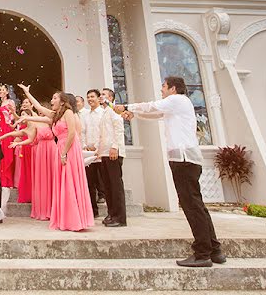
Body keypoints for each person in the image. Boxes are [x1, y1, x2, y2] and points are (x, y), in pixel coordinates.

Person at [128, 76, 225, 267]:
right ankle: (214, 250)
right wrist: (135, 115)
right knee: (198, 206)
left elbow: (151, 106)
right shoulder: (177, 106)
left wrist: (127, 107)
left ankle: (202, 254)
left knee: (192, 207)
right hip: (187, 160)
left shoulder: (176, 100)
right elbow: (155, 114)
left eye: (163, 87)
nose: (161, 90)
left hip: (183, 161)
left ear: (173, 88)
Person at [19, 84, 92, 231]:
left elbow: (72, 133)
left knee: (69, 181)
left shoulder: (68, 113)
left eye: (55, 98)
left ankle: (74, 219)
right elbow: (39, 108)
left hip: (70, 148)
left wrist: (64, 152)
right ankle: (65, 218)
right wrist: (27, 93)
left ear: (62, 101)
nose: (52, 100)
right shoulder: (55, 116)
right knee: (62, 182)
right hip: (61, 149)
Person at [97, 92, 126, 227]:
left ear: (111, 98)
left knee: (115, 186)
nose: (101, 96)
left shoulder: (114, 110)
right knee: (108, 186)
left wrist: (115, 147)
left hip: (113, 152)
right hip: (104, 152)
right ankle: (111, 214)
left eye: (104, 94)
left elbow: (119, 130)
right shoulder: (104, 112)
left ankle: (120, 218)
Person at [80, 89, 104, 218]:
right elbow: (82, 132)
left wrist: (97, 147)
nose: (90, 99)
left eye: (92, 97)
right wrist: (84, 146)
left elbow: (104, 133)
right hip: (88, 154)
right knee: (89, 184)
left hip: (101, 152)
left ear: (99, 98)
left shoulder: (103, 113)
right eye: (88, 97)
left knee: (104, 183)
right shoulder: (86, 115)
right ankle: (92, 211)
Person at [0, 85, 16, 190]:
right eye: (0, 90)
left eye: (3, 90)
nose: (1, 91)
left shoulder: (10, 102)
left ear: (7, 91)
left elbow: (13, 116)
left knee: (7, 153)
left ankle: (8, 180)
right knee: (0, 152)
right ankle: (1, 179)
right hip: (0, 128)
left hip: (7, 128)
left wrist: (7, 117)